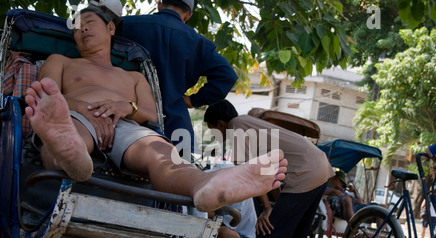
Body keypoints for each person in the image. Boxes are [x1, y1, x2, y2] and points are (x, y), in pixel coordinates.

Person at [24, 6, 288, 215]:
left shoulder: (134, 76)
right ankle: (72, 156)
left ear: (111, 27)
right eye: (77, 28)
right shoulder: (61, 61)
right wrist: (86, 108)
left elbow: (151, 115)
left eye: (89, 22)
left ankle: (204, 187)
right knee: (67, 134)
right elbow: (45, 96)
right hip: (75, 114)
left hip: (127, 124)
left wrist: (123, 107)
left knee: (164, 156)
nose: (82, 30)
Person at [204, 99, 334, 238]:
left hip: (305, 172)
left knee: (268, 235)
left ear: (221, 124)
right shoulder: (248, 123)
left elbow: (250, 174)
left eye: (213, 130)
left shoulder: (236, 126)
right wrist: (276, 204)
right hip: (320, 168)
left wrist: (266, 209)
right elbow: (268, 173)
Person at [122, 0, 238, 151]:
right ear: (188, 15)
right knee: (181, 168)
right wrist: (192, 100)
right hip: (174, 126)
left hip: (126, 120)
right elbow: (227, 76)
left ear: (160, 4)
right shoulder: (198, 42)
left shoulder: (125, 25)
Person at [205, 162, 257, 238]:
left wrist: (206, 212)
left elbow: (228, 225)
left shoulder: (241, 191)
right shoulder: (217, 189)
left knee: (223, 232)